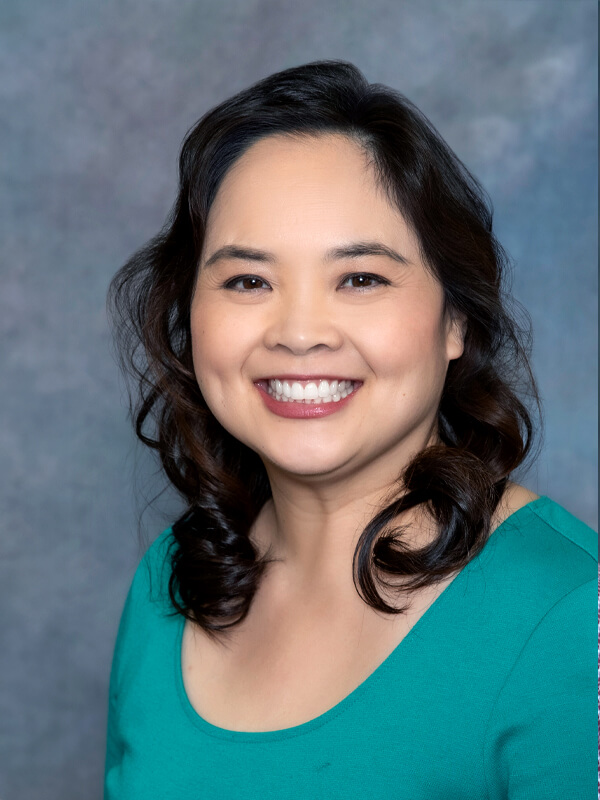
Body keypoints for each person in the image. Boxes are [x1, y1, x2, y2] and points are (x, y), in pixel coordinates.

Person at [103, 61, 597, 799]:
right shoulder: (167, 586)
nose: (300, 333)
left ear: (455, 319)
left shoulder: (570, 619)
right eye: (248, 281)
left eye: (360, 278)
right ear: (190, 317)